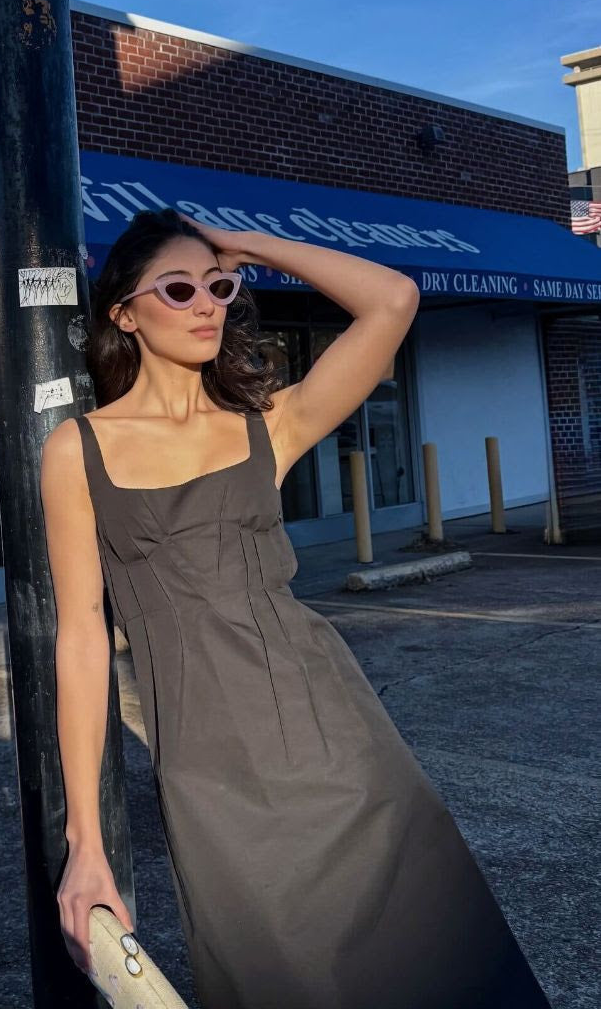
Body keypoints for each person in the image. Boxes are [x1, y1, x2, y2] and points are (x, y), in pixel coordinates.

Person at [39, 207, 552, 1009]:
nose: (207, 303)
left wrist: (253, 245)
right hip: (211, 771)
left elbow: (392, 300)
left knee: (431, 957)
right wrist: (86, 843)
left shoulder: (265, 426)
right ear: (124, 314)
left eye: (220, 286)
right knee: (278, 970)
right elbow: (80, 640)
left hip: (339, 738)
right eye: (179, 289)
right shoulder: (79, 450)